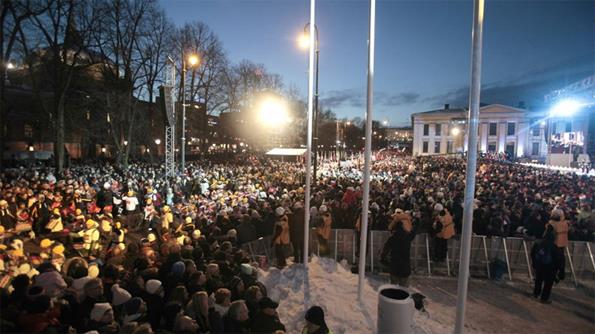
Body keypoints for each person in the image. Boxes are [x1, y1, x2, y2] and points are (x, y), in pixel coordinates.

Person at [531, 226, 564, 304]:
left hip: (540, 265)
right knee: (548, 284)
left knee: (538, 280)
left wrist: (535, 263)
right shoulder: (555, 247)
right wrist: (561, 271)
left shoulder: (539, 244)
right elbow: (560, 259)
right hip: (550, 267)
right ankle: (544, 298)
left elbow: (532, 253)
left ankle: (536, 294)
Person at [381, 220, 415, 286]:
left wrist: (383, 260)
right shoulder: (408, 237)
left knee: (394, 289)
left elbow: (385, 251)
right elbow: (414, 231)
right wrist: (416, 220)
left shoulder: (392, 238)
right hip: (405, 267)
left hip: (394, 267)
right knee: (404, 290)